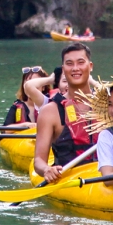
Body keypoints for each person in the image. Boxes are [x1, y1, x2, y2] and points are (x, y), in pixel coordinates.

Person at [33, 43, 97, 183]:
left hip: (106, 175)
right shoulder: (50, 111)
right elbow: (38, 161)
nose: (75, 68)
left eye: (81, 62)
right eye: (69, 64)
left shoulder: (107, 104)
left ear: (90, 66)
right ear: (63, 69)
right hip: (70, 179)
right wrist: (46, 170)